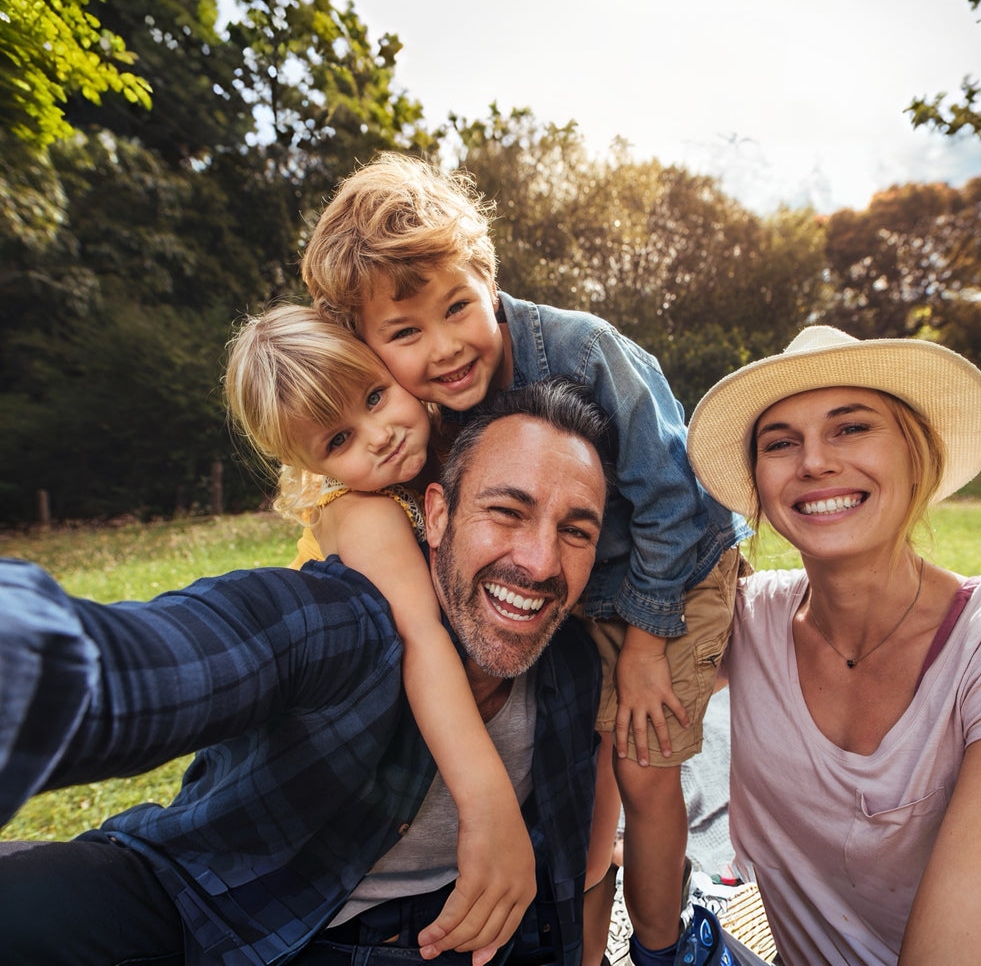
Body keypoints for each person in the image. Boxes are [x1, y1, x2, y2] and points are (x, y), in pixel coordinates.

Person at [299, 152, 753, 966]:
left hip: (675, 572)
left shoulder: (584, 351)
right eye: (405, 333)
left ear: (486, 273)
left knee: (644, 767)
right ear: (367, 345)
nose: (442, 348)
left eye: (457, 308)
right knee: (581, 778)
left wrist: (648, 643)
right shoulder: (424, 420)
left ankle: (664, 947)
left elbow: (678, 498)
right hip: (571, 585)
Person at [0, 379, 616, 966]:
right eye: (507, 511)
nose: (539, 563)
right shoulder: (342, 625)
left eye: (575, 530)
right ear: (436, 514)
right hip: (209, 906)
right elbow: (155, 665)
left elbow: (575, 875)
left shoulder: (578, 674)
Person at [685, 324, 981, 966]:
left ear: (914, 453)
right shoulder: (745, 622)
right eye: (780, 443)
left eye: (851, 427)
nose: (814, 462)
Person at [223, 303, 536, 962]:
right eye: (338, 441)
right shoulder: (360, 513)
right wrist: (490, 808)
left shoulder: (437, 463)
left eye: (374, 395)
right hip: (342, 804)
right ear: (312, 468)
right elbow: (421, 639)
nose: (377, 434)